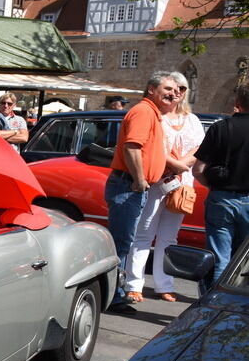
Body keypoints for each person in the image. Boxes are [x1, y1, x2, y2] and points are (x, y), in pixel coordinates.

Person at [105, 71, 182, 313]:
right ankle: (114, 296)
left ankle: (115, 293)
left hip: (133, 186)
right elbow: (132, 147)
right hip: (129, 185)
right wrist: (139, 179)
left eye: (176, 91)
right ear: (151, 89)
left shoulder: (152, 113)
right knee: (121, 244)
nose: (173, 94)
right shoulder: (144, 112)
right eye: (168, 89)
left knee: (125, 242)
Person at [125, 72, 205, 302]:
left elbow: (200, 146)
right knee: (143, 233)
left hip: (181, 183)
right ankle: (134, 284)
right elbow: (152, 148)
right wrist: (173, 164)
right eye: (172, 87)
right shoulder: (156, 116)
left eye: (181, 88)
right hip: (156, 181)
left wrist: (183, 164)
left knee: (169, 237)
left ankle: (164, 285)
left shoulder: (192, 119)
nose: (176, 92)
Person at [194, 84, 249, 290]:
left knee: (220, 260)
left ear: (237, 102)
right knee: (244, 262)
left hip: (222, 198)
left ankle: (213, 301)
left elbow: (198, 169)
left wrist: (212, 186)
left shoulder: (220, 128)